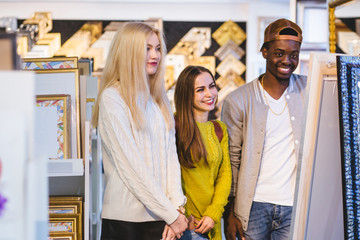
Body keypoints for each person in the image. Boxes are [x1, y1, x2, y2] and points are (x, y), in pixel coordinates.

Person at [92, 22, 188, 240]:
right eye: (146, 48)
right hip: (127, 223)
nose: (155, 55)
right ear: (128, 52)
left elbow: (171, 161)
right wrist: (171, 214)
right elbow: (131, 166)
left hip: (163, 220)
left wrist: (177, 209)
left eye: (157, 48)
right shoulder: (112, 98)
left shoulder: (157, 102)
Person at [221, 18, 307, 240]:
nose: (287, 60)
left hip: (294, 206)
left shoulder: (310, 91)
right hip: (252, 207)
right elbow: (231, 161)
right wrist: (229, 215)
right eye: (279, 53)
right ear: (265, 52)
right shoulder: (238, 100)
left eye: (293, 55)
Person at [174, 65, 232, 240]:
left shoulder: (219, 129)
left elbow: (225, 175)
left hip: (211, 225)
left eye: (212, 86)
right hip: (185, 226)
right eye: (200, 90)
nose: (210, 94)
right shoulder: (173, 125)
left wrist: (213, 213)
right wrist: (181, 215)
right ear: (186, 94)